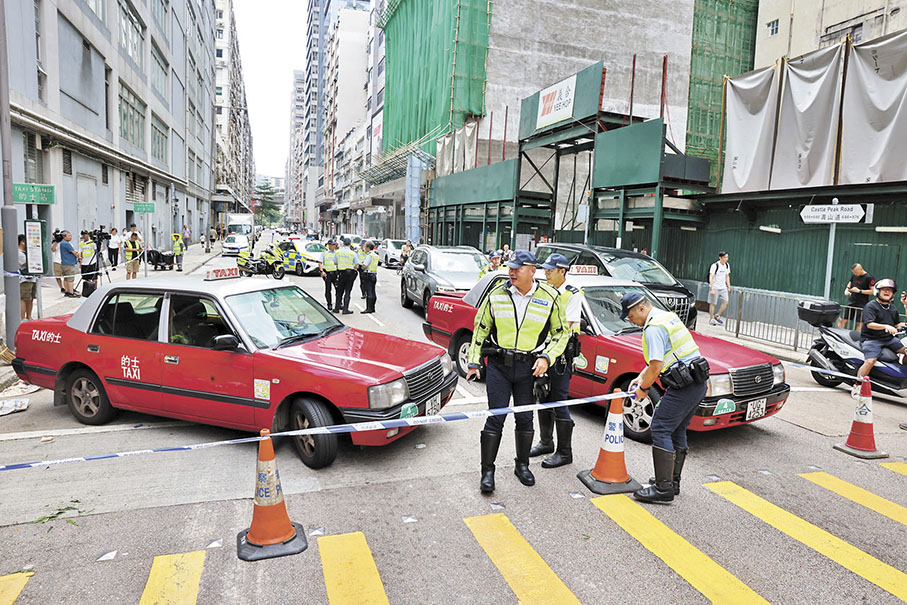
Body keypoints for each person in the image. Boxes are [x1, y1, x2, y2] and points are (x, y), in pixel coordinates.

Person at [466, 250, 569, 494]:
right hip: (500, 367)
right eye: (510, 268)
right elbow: (480, 330)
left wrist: (547, 357)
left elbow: (561, 333)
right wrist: (473, 362)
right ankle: (487, 472)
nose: (511, 272)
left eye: (517, 268)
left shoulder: (550, 297)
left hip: (529, 368)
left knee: (525, 419)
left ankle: (522, 466)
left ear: (532, 271)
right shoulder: (496, 295)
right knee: (496, 417)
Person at [621, 291, 709, 504]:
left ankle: (662, 488)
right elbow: (660, 359)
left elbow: (656, 366)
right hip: (696, 384)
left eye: (630, 315)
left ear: (641, 308)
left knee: (660, 427)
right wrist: (640, 377)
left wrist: (643, 388)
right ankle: (671, 481)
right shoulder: (665, 316)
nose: (629, 320)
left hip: (685, 386)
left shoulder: (653, 328)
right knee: (677, 429)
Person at [530, 254, 582, 468]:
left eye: (550, 270)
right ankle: (546, 442)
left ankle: (564, 452)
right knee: (543, 396)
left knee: (559, 401)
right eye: (546, 269)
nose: (546, 273)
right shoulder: (544, 290)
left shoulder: (572, 294)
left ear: (563, 271)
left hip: (560, 357)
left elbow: (565, 326)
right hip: (542, 353)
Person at [852, 279, 907, 398]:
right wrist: (886, 326)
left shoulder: (892, 308)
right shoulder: (871, 306)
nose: (887, 292)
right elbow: (869, 324)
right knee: (870, 361)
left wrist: (901, 323)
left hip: (888, 339)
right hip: (871, 339)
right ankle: (857, 385)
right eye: (884, 289)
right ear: (878, 291)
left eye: (890, 290)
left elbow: (896, 324)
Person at [839, 263, 875, 330]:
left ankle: (857, 339)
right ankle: (838, 337)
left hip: (862, 303)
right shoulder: (854, 276)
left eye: (856, 272)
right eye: (853, 272)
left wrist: (859, 291)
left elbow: (873, 291)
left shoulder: (869, 278)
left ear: (861, 269)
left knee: (860, 323)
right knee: (842, 319)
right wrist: (847, 290)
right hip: (852, 301)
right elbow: (850, 282)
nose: (855, 274)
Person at [335, 237, 357, 314]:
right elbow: (356, 265)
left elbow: (335, 262)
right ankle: (345, 309)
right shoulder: (353, 253)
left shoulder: (338, 252)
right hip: (350, 273)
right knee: (348, 291)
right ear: (350, 244)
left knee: (339, 291)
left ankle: (337, 308)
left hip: (341, 273)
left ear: (343, 244)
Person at [708, 251, 730, 325]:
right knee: (713, 303)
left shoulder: (727, 265)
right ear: (720, 258)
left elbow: (727, 276)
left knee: (726, 302)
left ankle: (717, 315)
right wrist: (712, 288)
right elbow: (711, 277)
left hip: (723, 287)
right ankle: (711, 319)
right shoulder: (715, 265)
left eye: (727, 257)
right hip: (715, 287)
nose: (726, 259)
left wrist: (729, 286)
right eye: (725, 257)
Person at [17, 235, 37, 320]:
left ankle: (29, 317)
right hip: (24, 279)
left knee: (30, 298)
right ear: (22, 242)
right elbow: (27, 264)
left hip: (32, 278)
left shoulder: (26, 252)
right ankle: (22, 318)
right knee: (23, 298)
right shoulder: (19, 253)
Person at [59, 231, 80, 298]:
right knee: (70, 279)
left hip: (64, 263)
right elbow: (74, 252)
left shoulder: (62, 243)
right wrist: (78, 256)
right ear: (64, 237)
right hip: (69, 263)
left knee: (66, 278)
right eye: (69, 236)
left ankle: (67, 291)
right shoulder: (66, 244)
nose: (70, 237)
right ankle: (71, 292)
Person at [360, 241, 380, 314]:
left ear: (368, 248)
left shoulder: (369, 255)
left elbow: (365, 265)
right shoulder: (375, 255)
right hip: (374, 275)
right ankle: (373, 308)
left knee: (369, 292)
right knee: (373, 291)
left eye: (365, 247)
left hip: (368, 275)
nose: (364, 248)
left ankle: (368, 308)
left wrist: (361, 266)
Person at [320, 238, 339, 311]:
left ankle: (338, 303)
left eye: (334, 245)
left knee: (338, 289)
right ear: (329, 245)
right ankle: (329, 304)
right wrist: (322, 271)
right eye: (332, 245)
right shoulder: (324, 253)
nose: (333, 246)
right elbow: (320, 263)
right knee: (328, 290)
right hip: (327, 273)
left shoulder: (337, 253)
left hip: (335, 273)